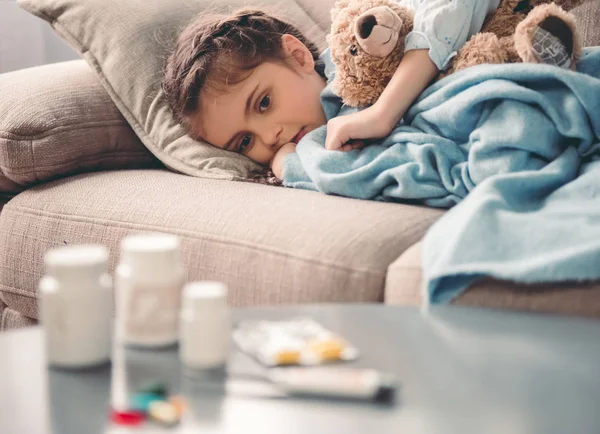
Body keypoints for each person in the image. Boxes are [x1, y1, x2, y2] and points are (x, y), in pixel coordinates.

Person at [163, 1, 501, 178]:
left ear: (297, 57)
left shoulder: (366, 45)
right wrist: (290, 167)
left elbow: (450, 7)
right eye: (245, 142)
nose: (269, 138)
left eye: (264, 103)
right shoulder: (311, 157)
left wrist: (383, 113)